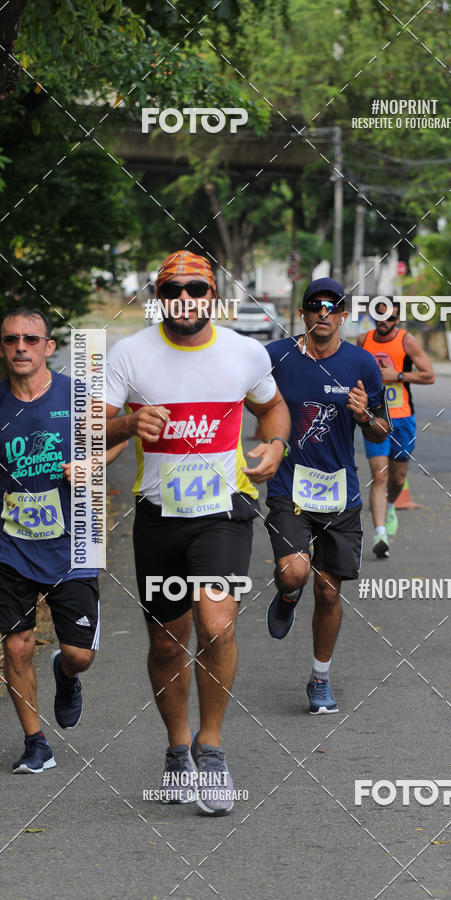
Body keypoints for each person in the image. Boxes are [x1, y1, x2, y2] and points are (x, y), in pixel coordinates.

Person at [105, 250, 289, 816]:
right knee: (167, 641)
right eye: (172, 289)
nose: (184, 298)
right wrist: (129, 422)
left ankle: (211, 750)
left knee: (215, 623)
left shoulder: (244, 352)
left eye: (195, 288)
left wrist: (276, 444)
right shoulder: (130, 354)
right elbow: (91, 428)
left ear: (213, 295)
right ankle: (177, 749)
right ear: (158, 298)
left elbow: (274, 407)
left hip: (223, 511)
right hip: (159, 515)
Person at [0, 307, 126, 774]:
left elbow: (120, 435)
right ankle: (36, 743)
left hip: (73, 544)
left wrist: (94, 464)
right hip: (11, 545)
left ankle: (65, 672)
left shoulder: (77, 397)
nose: (21, 347)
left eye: (31, 339)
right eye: (11, 339)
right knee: (16, 647)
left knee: (79, 654)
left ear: (49, 347)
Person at [264, 277, 390, 715]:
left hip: (340, 492)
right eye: (315, 305)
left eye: (332, 307)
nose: (323, 312)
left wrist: (365, 416)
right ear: (302, 313)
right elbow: (240, 399)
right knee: (295, 573)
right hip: (289, 487)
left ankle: (320, 678)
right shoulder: (276, 357)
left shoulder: (361, 363)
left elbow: (382, 429)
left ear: (343, 316)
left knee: (330, 592)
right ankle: (287, 595)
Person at [358, 299, 435, 558]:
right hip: (375, 417)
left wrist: (398, 376)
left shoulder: (406, 341)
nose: (384, 322)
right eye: (380, 317)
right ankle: (380, 534)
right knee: (379, 476)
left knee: (398, 478)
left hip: (402, 418)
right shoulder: (363, 340)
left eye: (390, 318)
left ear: (398, 319)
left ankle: (390, 505)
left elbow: (429, 375)